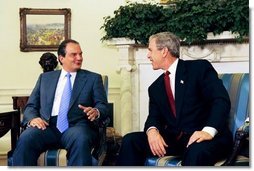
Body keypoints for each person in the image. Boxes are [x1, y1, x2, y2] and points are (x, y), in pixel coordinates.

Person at [116, 32, 233, 166]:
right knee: (131, 140)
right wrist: (152, 131)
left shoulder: (198, 68)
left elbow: (220, 100)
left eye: (150, 50)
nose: (148, 55)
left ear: (164, 51)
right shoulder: (155, 87)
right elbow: (154, 117)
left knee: (196, 151)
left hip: (207, 138)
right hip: (177, 141)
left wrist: (208, 131)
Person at [12, 39, 109, 166]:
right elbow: (31, 105)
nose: (79, 58)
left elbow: (103, 105)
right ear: (61, 58)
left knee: (80, 138)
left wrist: (96, 111)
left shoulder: (93, 78)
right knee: (26, 137)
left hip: (77, 126)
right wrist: (32, 119)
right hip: (47, 126)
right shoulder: (45, 78)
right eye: (74, 54)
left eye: (80, 54)